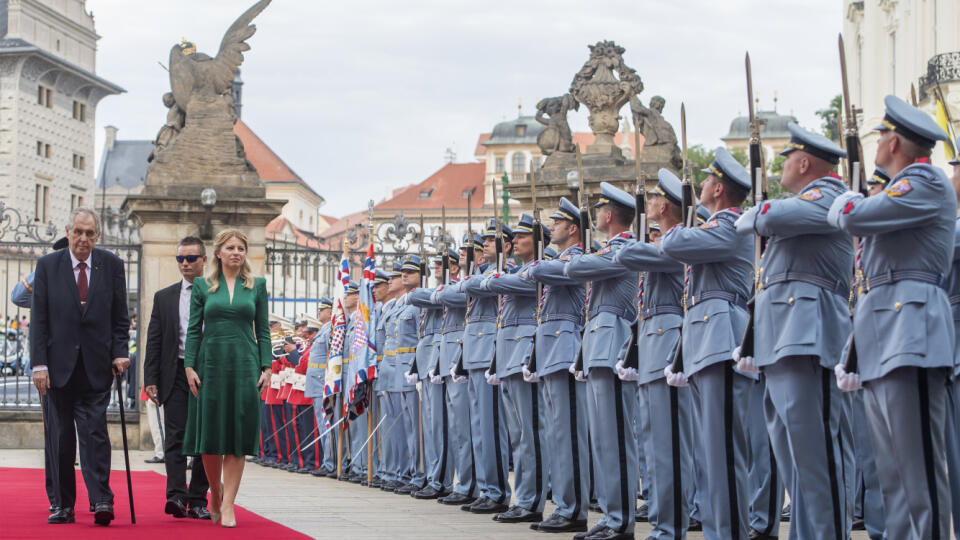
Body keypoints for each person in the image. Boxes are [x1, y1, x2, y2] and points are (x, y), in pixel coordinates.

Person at [829, 95, 955, 539]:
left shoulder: (923, 181)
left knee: (919, 472)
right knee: (894, 476)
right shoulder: (903, 185)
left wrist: (849, 196)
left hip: (913, 333)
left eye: (882, 134)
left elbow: (853, 216)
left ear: (895, 141)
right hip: (884, 330)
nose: (878, 142)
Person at [734, 123, 851, 539]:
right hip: (780, 337)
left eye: (787, 158)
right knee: (793, 460)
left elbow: (761, 216)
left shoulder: (830, 197)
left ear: (805, 163)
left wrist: (761, 210)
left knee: (816, 459)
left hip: (810, 335)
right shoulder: (805, 201)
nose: (781, 167)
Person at [660, 148, 755, 540]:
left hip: (722, 338)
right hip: (705, 339)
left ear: (718, 189)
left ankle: (731, 532)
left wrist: (683, 221)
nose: (699, 187)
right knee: (708, 451)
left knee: (724, 451)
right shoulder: (713, 226)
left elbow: (671, 244)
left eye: (704, 182)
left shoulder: (728, 226)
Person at [30, 207, 130, 526]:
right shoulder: (47, 266)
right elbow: (39, 321)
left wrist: (119, 351)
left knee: (95, 435)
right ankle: (62, 504)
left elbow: (120, 318)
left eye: (89, 233)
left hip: (96, 367)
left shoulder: (112, 265)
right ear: (67, 231)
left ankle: (101, 498)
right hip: (56, 370)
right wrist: (38, 365)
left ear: (97, 235)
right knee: (59, 439)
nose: (83, 238)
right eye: (78, 232)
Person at [613, 171, 694, 539]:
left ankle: (672, 524)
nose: (648, 205)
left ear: (663, 206)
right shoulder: (664, 243)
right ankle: (663, 523)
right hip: (650, 342)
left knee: (669, 445)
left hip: (667, 340)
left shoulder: (678, 243)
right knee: (652, 440)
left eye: (653, 199)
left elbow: (627, 252)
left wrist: (642, 235)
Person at [563, 182, 640, 540]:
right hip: (597, 344)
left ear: (609, 216)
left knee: (617, 439)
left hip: (612, 344)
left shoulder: (622, 248)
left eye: (599, 211)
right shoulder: (608, 249)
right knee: (603, 440)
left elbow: (575, 269)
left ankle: (621, 520)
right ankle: (611, 516)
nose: (596, 216)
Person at [182, 229, 272, 528]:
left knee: (237, 435)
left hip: (245, 364)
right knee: (210, 438)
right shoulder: (202, 286)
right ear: (218, 253)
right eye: (230, 247)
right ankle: (216, 490)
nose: (236, 252)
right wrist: (189, 366)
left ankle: (230, 503)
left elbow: (263, 330)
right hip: (209, 365)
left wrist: (267, 367)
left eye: (241, 248)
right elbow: (194, 329)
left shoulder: (257, 286)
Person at [480, 213, 551, 525]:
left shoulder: (538, 267)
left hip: (525, 352)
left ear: (536, 241)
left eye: (521, 237)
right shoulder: (519, 268)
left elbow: (521, 284)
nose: (514, 242)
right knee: (519, 435)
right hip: (509, 353)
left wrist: (492, 277)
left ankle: (532, 500)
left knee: (531, 432)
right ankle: (522, 496)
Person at [525, 197, 589, 533]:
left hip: (566, 348)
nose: (552, 227)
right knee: (556, 433)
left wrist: (535, 264)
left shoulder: (575, 259)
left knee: (568, 434)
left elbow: (541, 272)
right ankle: (565, 504)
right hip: (551, 349)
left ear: (573, 228)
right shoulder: (558, 259)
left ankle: (574, 507)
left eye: (558, 222)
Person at [143, 235, 211, 519]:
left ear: (204, 260)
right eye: (180, 258)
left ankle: (197, 499)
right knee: (175, 437)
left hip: (208, 374)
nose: (184, 264)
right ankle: (175, 496)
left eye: (191, 258)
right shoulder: (164, 297)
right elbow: (154, 340)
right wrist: (151, 379)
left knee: (205, 441)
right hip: (175, 373)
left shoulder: (216, 293)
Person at [457, 219, 514, 514]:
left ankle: (497, 491)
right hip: (475, 352)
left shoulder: (505, 271)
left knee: (492, 427)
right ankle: (485, 487)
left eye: (492, 239)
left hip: (490, 350)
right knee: (479, 427)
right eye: (486, 240)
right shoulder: (485, 273)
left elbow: (466, 288)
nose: (486, 243)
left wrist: (469, 279)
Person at [434, 238, 479, 507]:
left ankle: (474, 485)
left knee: (470, 428)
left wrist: (441, 292)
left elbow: (454, 295)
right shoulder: (464, 281)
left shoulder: (472, 280)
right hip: (452, 356)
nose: (462, 254)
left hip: (468, 353)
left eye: (465, 251)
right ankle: (465, 483)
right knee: (456, 427)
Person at [407, 255, 454, 499]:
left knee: (440, 426)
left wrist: (437, 294)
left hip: (440, 358)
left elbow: (415, 297)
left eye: (440, 266)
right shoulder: (437, 291)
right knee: (430, 427)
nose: (436, 269)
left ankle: (442, 480)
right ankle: (434, 477)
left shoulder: (451, 289)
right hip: (427, 360)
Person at [305, 298, 335, 477]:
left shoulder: (330, 329)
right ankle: (328, 461)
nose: (319, 312)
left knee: (326, 424)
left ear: (330, 312)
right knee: (322, 424)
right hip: (316, 382)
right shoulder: (323, 329)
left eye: (322, 309)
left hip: (322, 381)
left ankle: (330, 462)